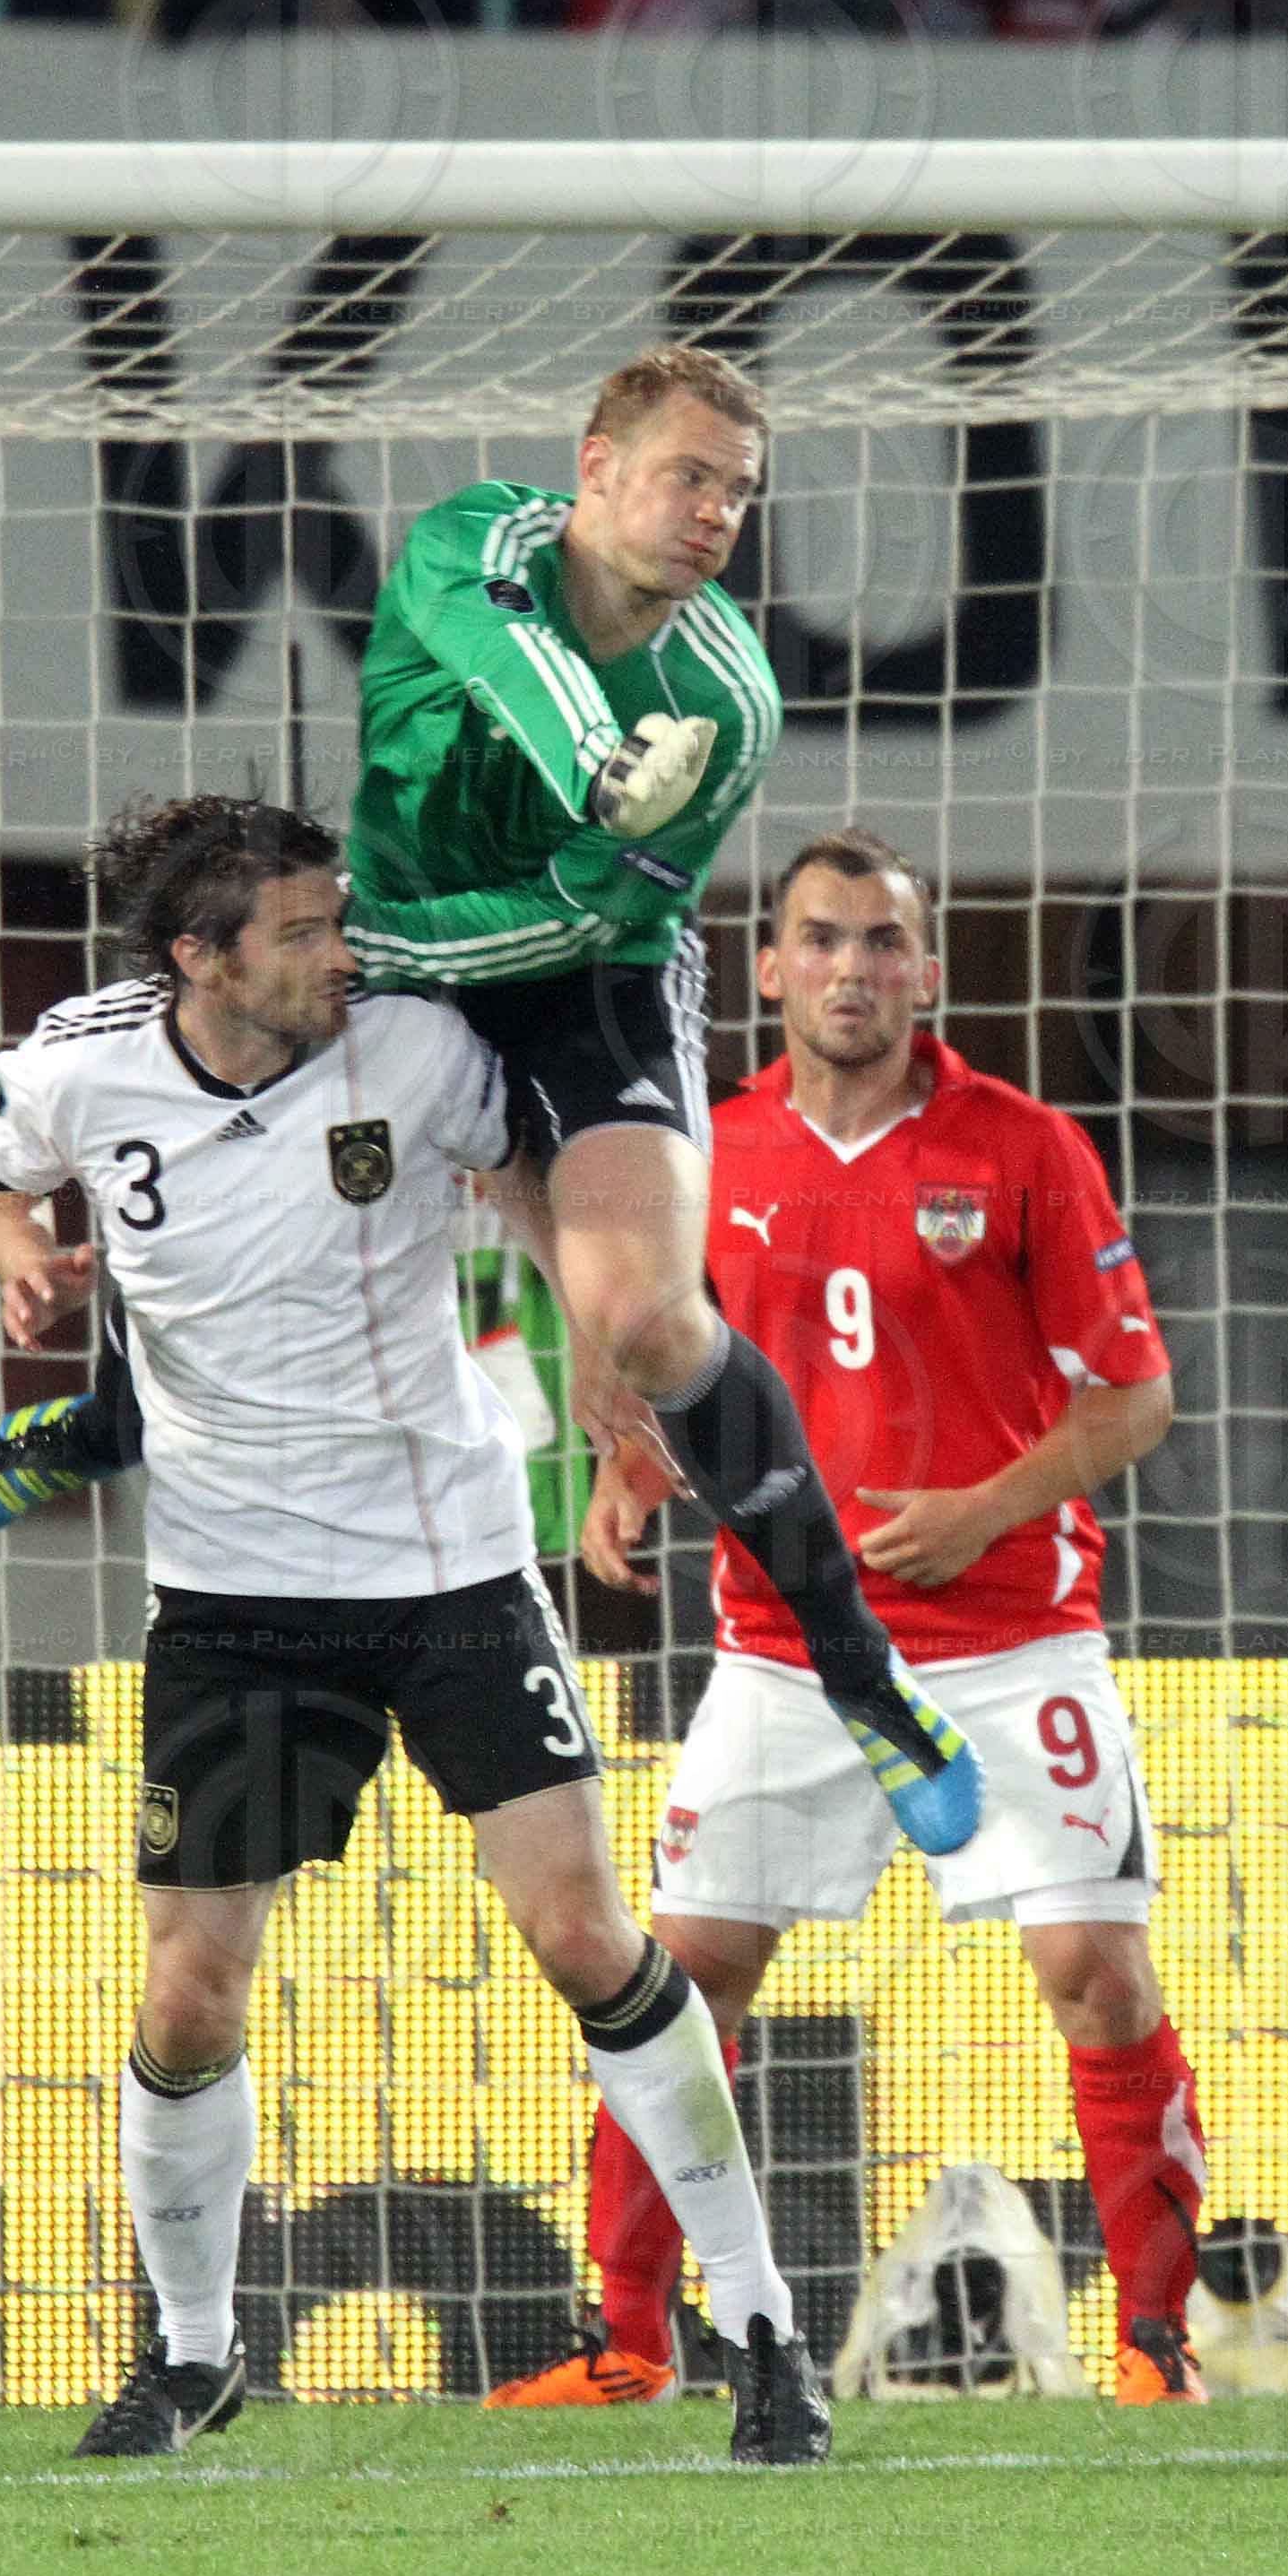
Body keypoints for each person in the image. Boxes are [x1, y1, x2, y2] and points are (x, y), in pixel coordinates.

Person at [0, 794, 829, 2468]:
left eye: (336, 919)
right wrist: (25, 1260)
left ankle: (760, 2326)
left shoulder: (418, 1048)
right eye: (298, 933)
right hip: (227, 1599)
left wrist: (587, 1334)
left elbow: (532, 1178)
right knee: (190, 1992)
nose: (338, 953)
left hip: (442, 1574)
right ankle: (196, 2353)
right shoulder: (80, 1060)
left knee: (584, 1934)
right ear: (197, 959)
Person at [491, 828, 1205, 2410]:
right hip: (783, 1646)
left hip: (1011, 1636)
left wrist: (980, 1509)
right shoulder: (704, 1153)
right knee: (674, 1968)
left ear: (925, 974)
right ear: (766, 969)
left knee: (1096, 1970)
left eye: (882, 944)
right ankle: (628, 2337)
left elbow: (1137, 1399)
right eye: (820, 940)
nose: (850, 970)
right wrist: (625, 1464)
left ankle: (1154, 2348)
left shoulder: (1022, 1146)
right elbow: (673, 1364)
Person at [340, 339, 984, 1861]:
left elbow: (574, 917)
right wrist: (596, 766)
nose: (712, 515)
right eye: (687, 475)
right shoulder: (468, 545)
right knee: (239, 1192)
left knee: (641, 1318)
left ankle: (863, 1674)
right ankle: (94, 1420)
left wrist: (396, 995)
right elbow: (521, 672)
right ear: (596, 467)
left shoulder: (731, 695)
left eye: (738, 494)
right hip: (381, 942)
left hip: (582, 973)